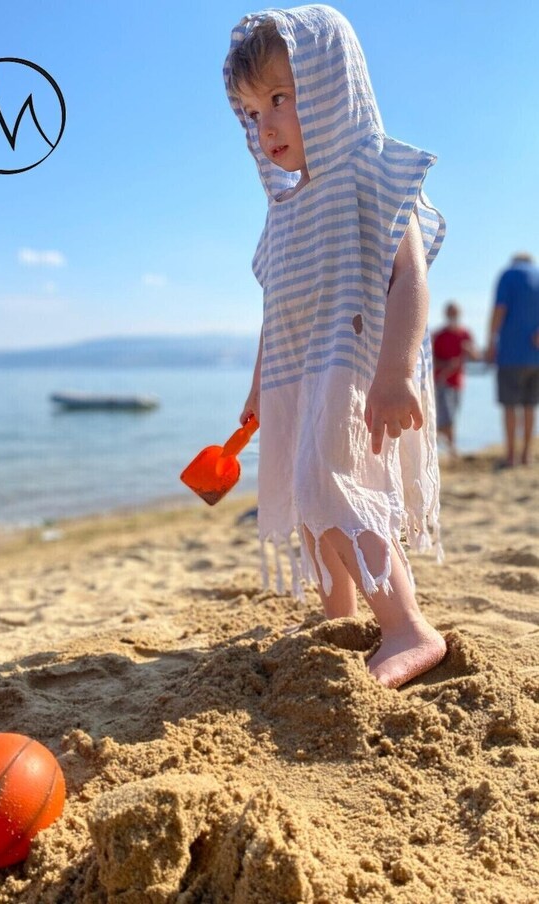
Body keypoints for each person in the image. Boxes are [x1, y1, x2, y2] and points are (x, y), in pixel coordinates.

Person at [224, 5, 447, 689]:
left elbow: (408, 276)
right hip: (298, 374)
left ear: (331, 86)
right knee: (305, 491)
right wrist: (261, 385)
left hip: (356, 369)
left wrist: (396, 372)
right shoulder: (286, 210)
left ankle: (408, 626)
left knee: (342, 488)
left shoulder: (368, 172)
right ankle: (338, 614)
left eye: (282, 98)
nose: (268, 124)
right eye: (254, 111)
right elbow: (277, 308)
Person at [487, 253, 539, 467]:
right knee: (530, 406)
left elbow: (500, 309)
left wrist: (491, 341)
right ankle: (527, 456)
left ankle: (511, 457)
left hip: (510, 353)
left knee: (510, 406)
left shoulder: (508, 275)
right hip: (535, 355)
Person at [432, 301, 477, 456]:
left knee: (452, 415)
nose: (453, 316)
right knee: (448, 416)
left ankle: (442, 443)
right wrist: (446, 364)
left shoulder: (465, 334)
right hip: (441, 381)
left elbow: (476, 356)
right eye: (450, 313)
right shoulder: (438, 336)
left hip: (458, 382)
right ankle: (450, 448)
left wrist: (469, 350)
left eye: (455, 313)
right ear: (446, 314)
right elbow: (429, 360)